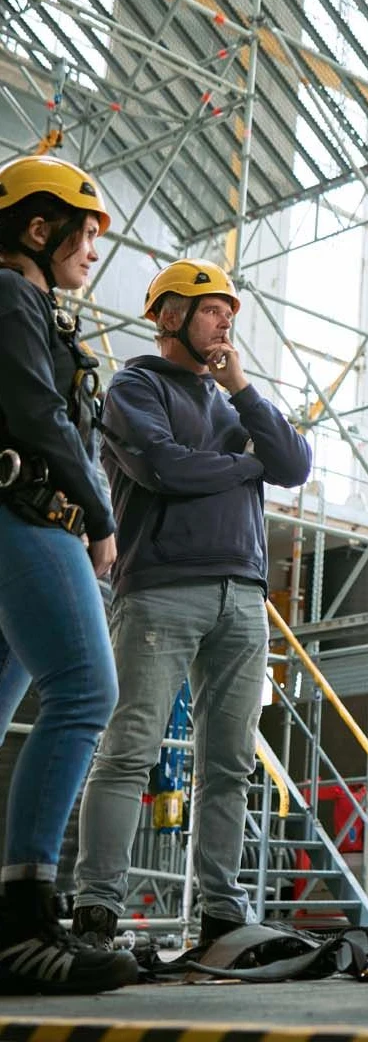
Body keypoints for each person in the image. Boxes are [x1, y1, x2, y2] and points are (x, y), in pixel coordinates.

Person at [72, 260, 312, 953]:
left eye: (229, 313)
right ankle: (95, 908)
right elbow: (164, 468)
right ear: (170, 316)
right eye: (211, 309)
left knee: (229, 763)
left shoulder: (235, 400)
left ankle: (222, 912)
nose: (225, 321)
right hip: (161, 589)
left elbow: (293, 464)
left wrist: (240, 388)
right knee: (128, 749)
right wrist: (245, 464)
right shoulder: (135, 386)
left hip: (243, 594)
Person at [0, 154, 138, 994]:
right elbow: (37, 413)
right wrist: (99, 512)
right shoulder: (12, 295)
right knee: (87, 692)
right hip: (26, 518)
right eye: (85, 233)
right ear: (38, 227)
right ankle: (22, 920)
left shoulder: (26, 302)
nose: (93, 250)